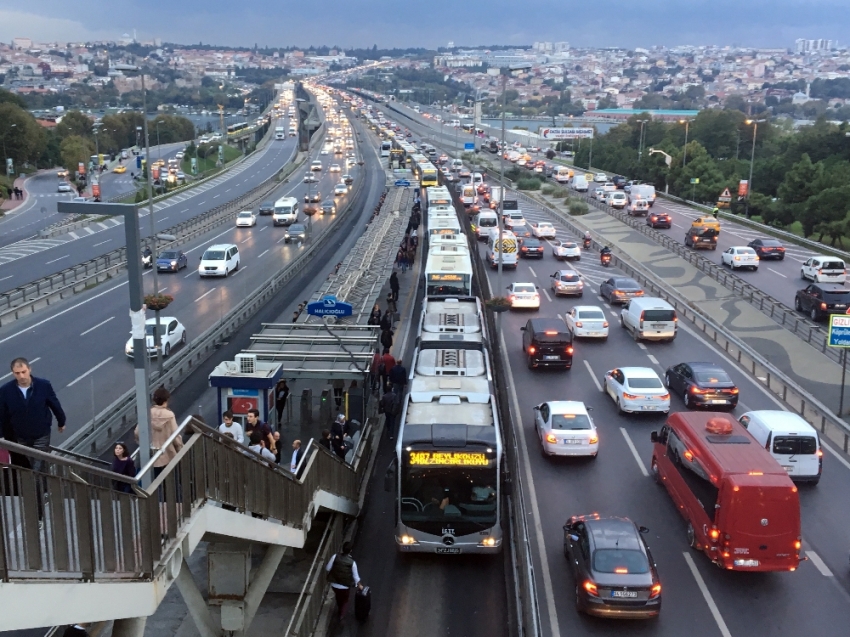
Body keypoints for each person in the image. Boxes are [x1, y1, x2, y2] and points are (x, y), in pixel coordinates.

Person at [0, 357, 66, 474]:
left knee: (38, 463)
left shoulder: (43, 385)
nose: (21, 376)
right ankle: (41, 488)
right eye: (17, 373)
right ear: (13, 373)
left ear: (29, 369)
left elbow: (54, 404)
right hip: (20, 435)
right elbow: (2, 414)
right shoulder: (6, 390)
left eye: (23, 372)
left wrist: (61, 421)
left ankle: (37, 489)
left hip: (41, 433)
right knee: (27, 463)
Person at [143, 386, 183, 479]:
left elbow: (138, 432)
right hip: (167, 453)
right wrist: (180, 447)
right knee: (170, 481)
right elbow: (175, 435)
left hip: (150, 454)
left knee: (152, 481)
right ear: (167, 399)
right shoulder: (169, 415)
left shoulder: (148, 413)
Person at [325, 541, 363, 621]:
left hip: (334, 584)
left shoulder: (335, 556)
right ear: (351, 551)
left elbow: (327, 568)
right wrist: (359, 585)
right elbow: (356, 577)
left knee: (338, 597)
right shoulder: (352, 563)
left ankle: (339, 609)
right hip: (345, 586)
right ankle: (342, 614)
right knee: (345, 600)